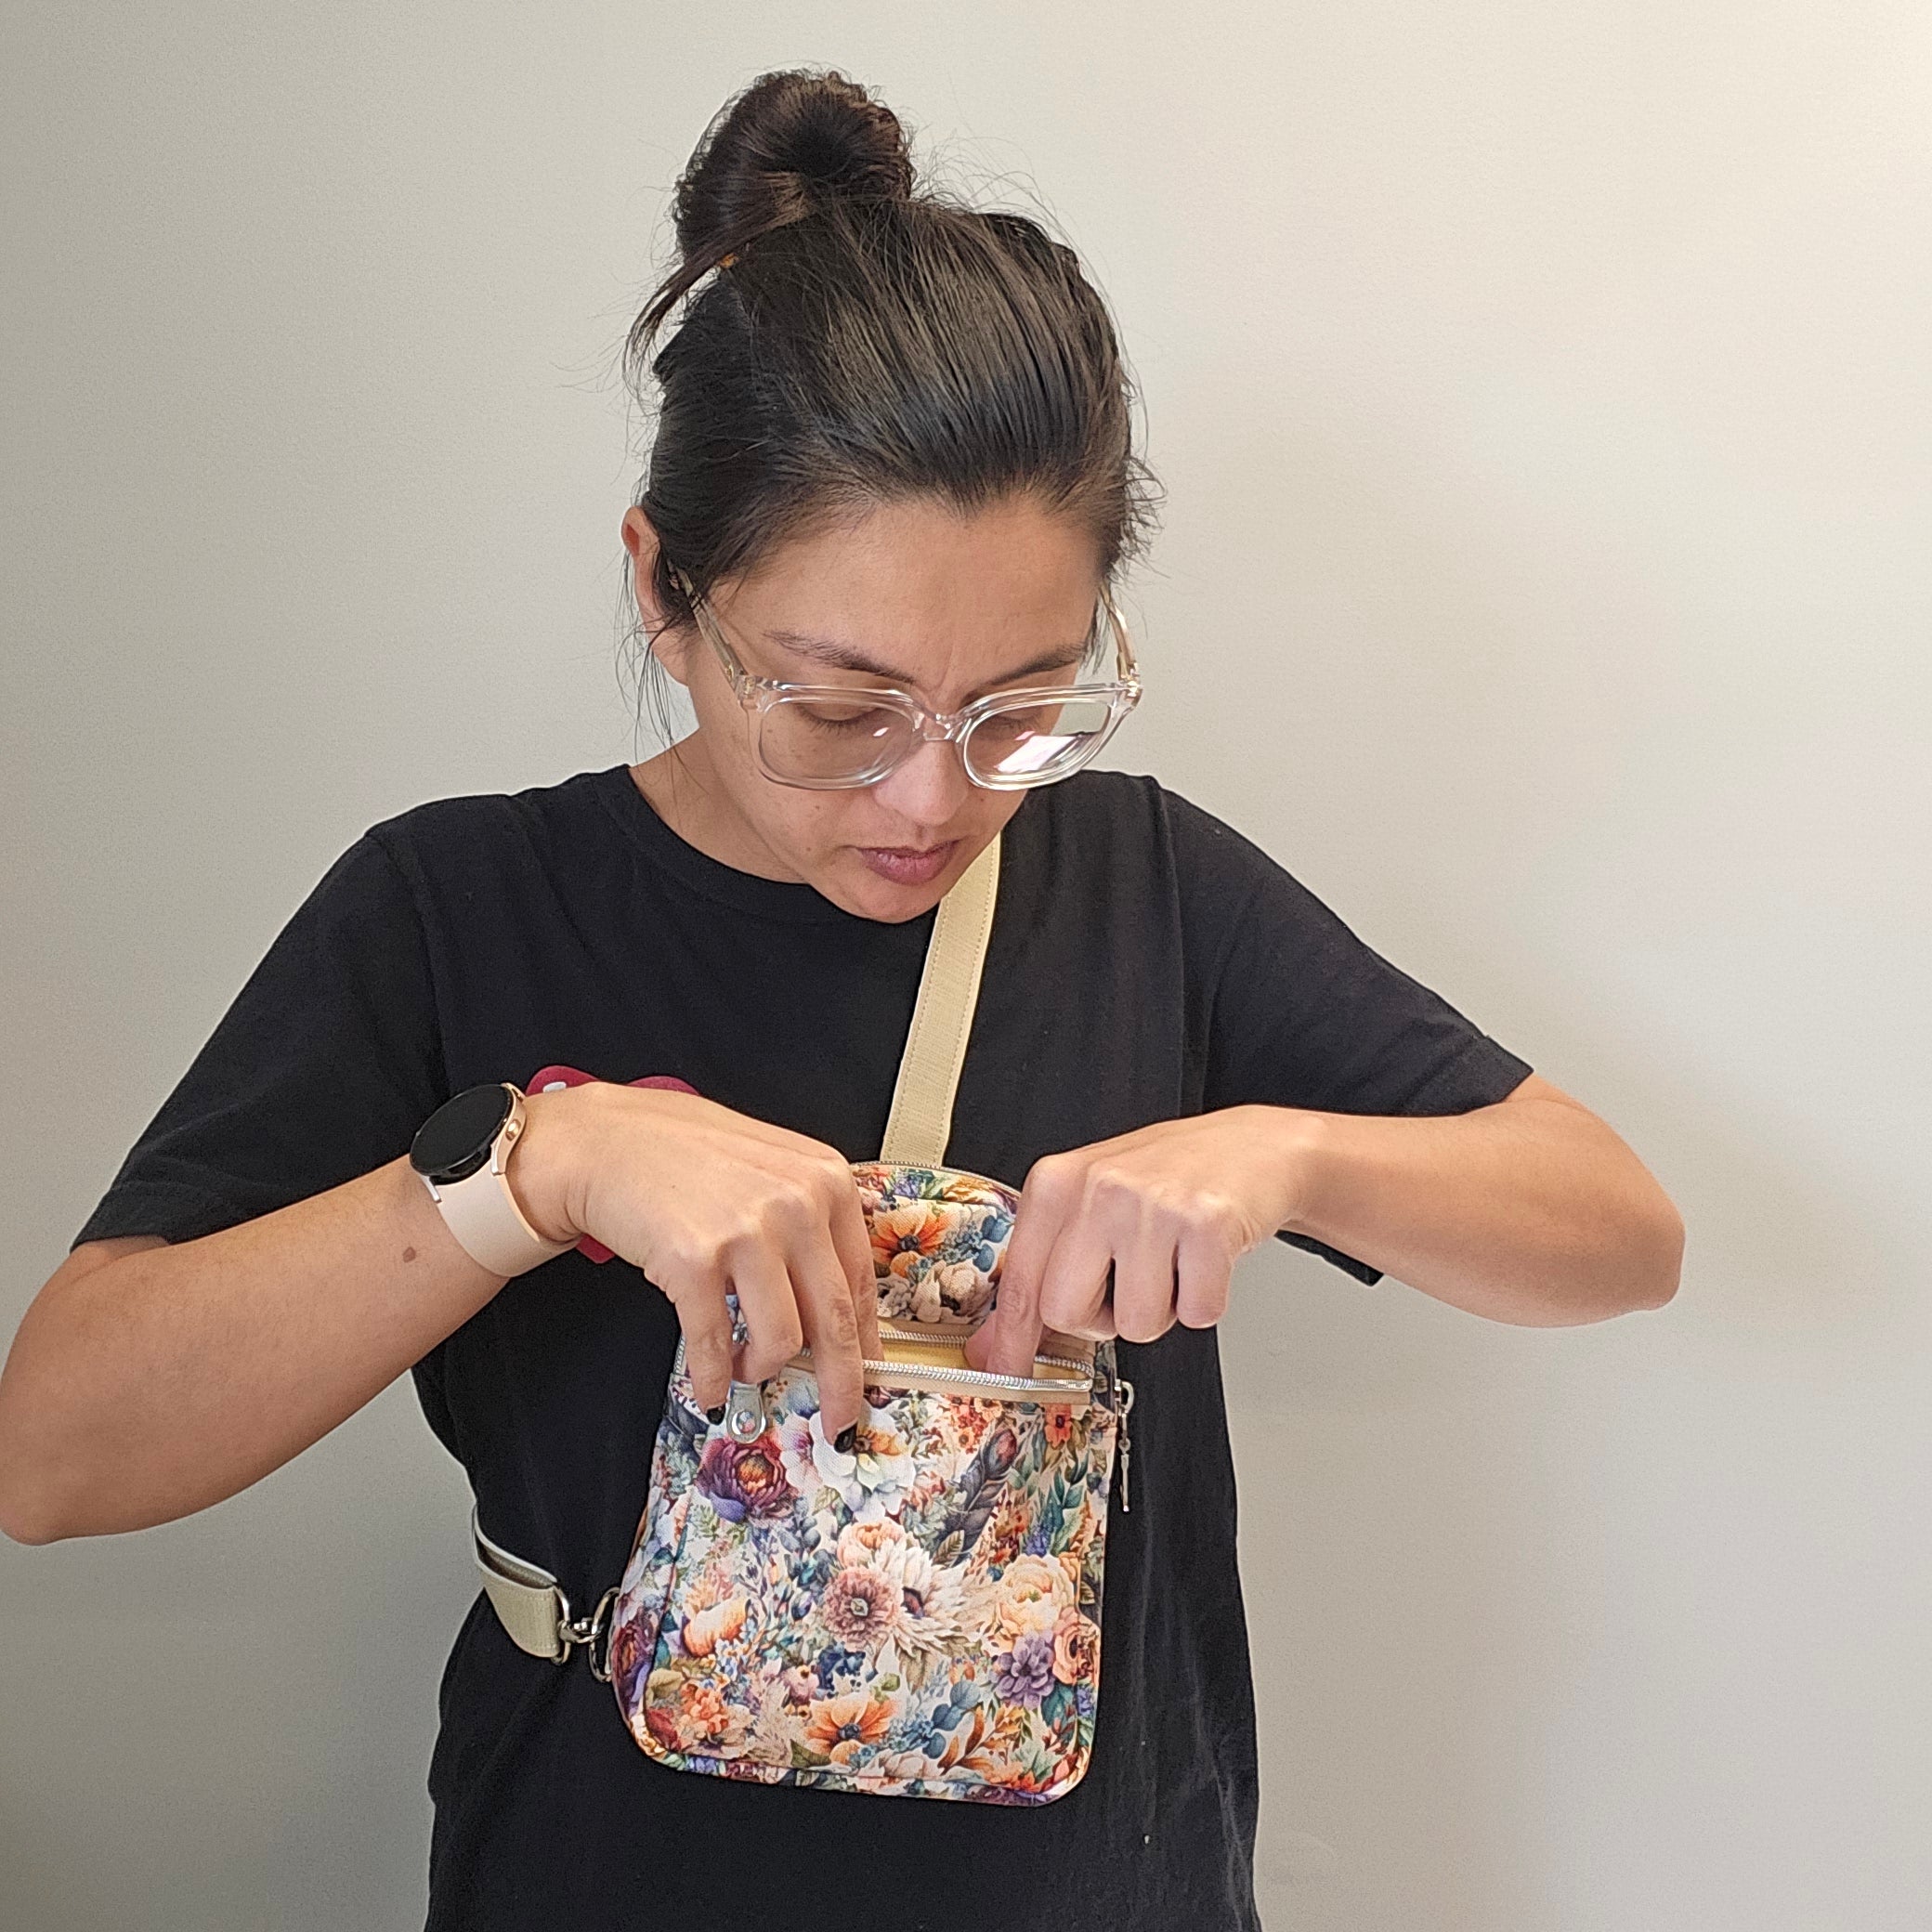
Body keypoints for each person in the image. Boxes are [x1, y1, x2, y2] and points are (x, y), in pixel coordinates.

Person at [0, 65, 1683, 1932]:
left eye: (1019, 704)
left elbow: (1614, 1229)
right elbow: (58, 1447)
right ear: (664, 591)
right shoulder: (455, 903)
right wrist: (523, 1175)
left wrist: (1282, 1152)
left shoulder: (1141, 883)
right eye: (837, 703)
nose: (931, 797)